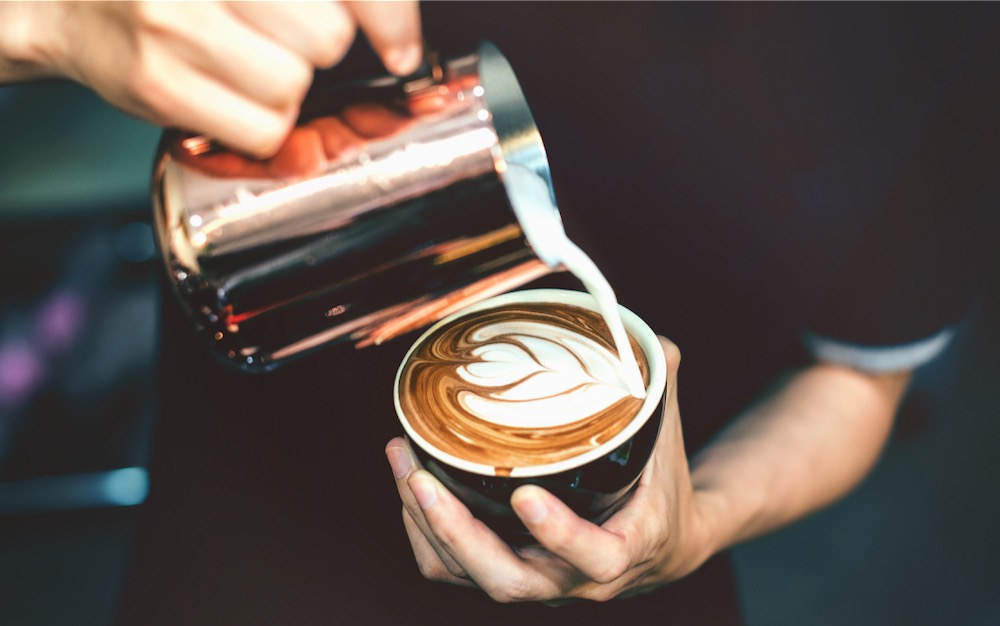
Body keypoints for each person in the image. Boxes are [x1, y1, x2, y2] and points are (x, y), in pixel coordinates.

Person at [3, 3, 998, 625]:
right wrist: (53, 21)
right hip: (248, 515)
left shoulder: (955, 40)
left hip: (641, 565)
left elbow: (860, 376)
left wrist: (701, 518)